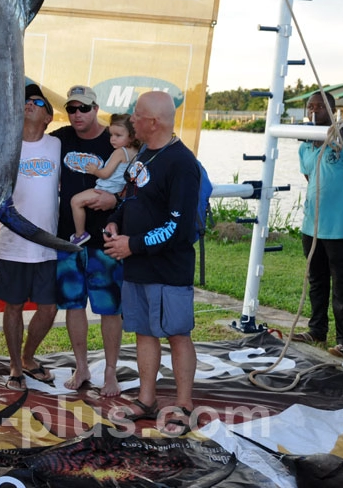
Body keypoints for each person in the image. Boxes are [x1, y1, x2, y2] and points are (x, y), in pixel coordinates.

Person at [102, 91, 201, 437]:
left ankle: (185, 404)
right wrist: (116, 220)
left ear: (153, 121)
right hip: (138, 265)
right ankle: (147, 399)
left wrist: (134, 244)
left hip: (168, 269)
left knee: (176, 334)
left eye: (137, 114)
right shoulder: (144, 154)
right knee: (144, 332)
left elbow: (179, 227)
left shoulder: (182, 164)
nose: (132, 118)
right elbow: (130, 197)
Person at [52, 84, 122, 394]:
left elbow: (138, 186)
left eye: (84, 108)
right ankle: (81, 367)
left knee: (109, 309)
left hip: (106, 240)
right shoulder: (59, 138)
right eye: (71, 108)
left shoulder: (116, 140)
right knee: (74, 305)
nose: (77, 114)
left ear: (96, 109)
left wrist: (115, 201)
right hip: (67, 240)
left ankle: (110, 371)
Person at [291, 91, 343, 359]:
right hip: (310, 227)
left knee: (341, 285)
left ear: (332, 110)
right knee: (316, 280)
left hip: (339, 229)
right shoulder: (305, 146)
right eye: (309, 106)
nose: (314, 111)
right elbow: (311, 177)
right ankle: (317, 329)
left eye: (319, 107)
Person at [0, 83, 60, 390]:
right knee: (14, 306)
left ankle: (30, 356)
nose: (29, 104)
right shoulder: (3, 145)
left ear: (48, 117)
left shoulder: (58, 146)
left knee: (48, 308)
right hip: (13, 243)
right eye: (25, 101)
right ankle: (15, 366)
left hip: (48, 246)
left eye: (37, 101)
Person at [69, 113, 139, 245]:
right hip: (117, 192)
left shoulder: (120, 152)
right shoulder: (136, 153)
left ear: (131, 135)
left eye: (118, 135)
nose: (113, 139)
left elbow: (106, 174)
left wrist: (94, 170)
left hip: (105, 189)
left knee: (75, 201)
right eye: (111, 135)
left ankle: (80, 234)